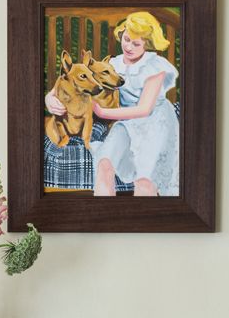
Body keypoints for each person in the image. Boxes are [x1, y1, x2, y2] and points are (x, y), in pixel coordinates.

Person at [45, 12, 179, 197]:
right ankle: (102, 217)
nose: (129, 46)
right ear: (121, 34)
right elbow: (73, 75)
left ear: (146, 44)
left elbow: (144, 110)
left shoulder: (154, 67)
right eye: (126, 39)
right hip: (124, 122)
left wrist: (101, 111)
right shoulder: (113, 64)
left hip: (154, 122)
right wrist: (50, 98)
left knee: (144, 179)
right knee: (104, 163)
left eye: (136, 43)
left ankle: (143, 222)